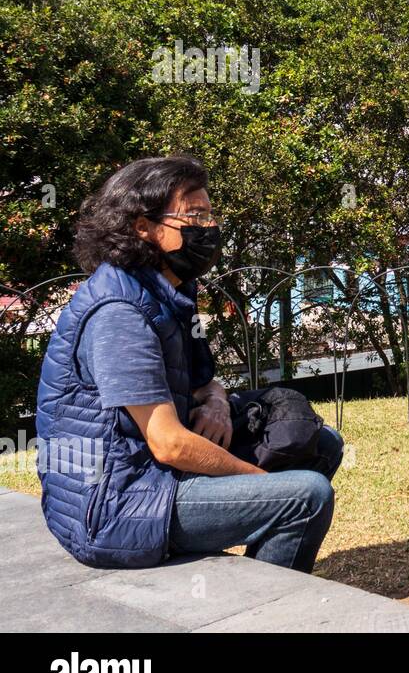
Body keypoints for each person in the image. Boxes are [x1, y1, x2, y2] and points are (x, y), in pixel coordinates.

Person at [36, 156, 345, 573]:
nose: (209, 228)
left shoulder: (169, 288)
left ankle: (260, 567)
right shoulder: (119, 312)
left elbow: (204, 382)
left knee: (318, 442)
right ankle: (261, 608)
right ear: (142, 227)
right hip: (114, 506)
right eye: (194, 216)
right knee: (305, 495)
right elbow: (169, 442)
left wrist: (216, 402)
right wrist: (261, 484)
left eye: (209, 214)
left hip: (151, 473)